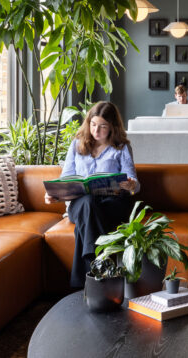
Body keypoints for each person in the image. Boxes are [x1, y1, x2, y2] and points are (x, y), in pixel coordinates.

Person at [44, 101, 140, 288]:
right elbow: (67, 178)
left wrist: (130, 184)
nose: (96, 131)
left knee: (89, 214)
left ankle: (82, 284)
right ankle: (102, 266)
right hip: (82, 204)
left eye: (103, 127)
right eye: (93, 124)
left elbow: (134, 183)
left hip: (112, 204)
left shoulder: (121, 148)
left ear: (112, 127)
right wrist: (55, 195)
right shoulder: (76, 146)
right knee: (88, 202)